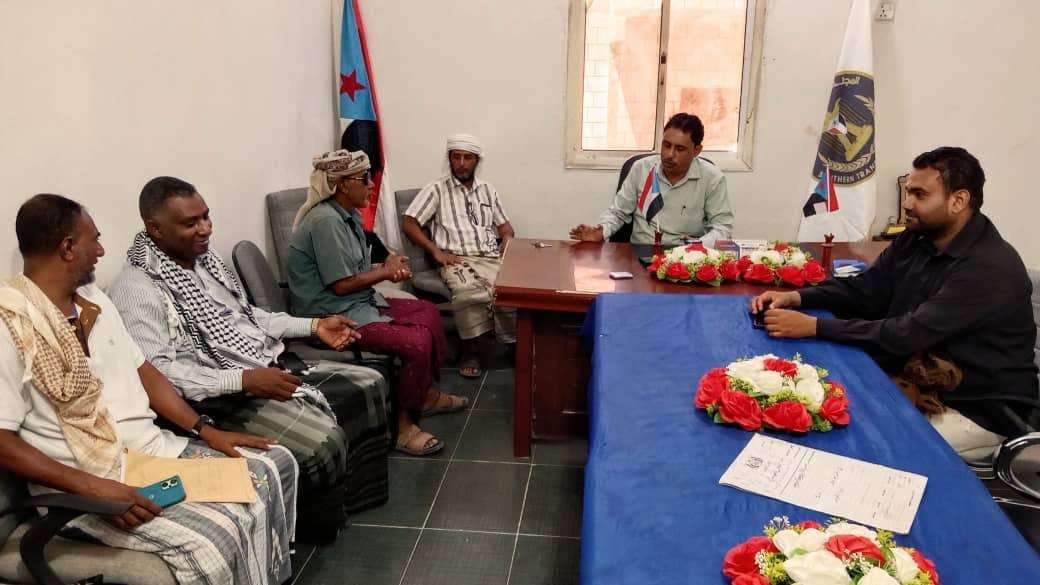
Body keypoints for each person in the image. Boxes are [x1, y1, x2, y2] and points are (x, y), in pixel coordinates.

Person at [0, 194, 298, 585]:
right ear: (68, 248)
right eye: (95, 240)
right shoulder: (10, 324)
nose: (101, 251)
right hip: (87, 484)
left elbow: (145, 371)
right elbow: (2, 440)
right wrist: (95, 488)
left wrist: (205, 430)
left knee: (272, 466)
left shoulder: (93, 300)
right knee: (212, 541)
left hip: (151, 454)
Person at [108, 176, 391, 542]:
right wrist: (243, 380)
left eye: (206, 217)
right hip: (211, 401)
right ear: (155, 228)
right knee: (322, 441)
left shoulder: (205, 261)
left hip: (256, 366)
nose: (206, 228)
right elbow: (159, 374)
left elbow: (248, 317)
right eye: (191, 223)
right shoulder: (137, 289)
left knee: (370, 383)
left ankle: (352, 498)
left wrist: (314, 325)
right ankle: (315, 527)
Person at [750, 147, 1039, 460]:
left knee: (856, 447)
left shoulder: (988, 267)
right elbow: (866, 289)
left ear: (958, 201)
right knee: (811, 403)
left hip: (973, 408)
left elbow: (907, 333)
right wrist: (798, 297)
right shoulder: (916, 238)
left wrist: (814, 326)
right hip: (914, 376)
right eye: (908, 192)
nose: (907, 203)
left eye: (919, 194)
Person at [288, 149, 469, 457]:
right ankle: (403, 428)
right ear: (342, 184)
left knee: (427, 312)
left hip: (357, 301)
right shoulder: (325, 221)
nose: (372, 185)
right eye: (365, 179)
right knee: (415, 343)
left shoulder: (346, 216)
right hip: (331, 315)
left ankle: (424, 396)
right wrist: (385, 272)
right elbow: (341, 285)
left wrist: (387, 264)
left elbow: (355, 266)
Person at [402, 133, 517, 378]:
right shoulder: (436, 189)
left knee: (513, 289)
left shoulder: (487, 190)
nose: (462, 164)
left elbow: (506, 228)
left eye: (468, 158)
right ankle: (470, 351)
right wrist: (435, 250)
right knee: (467, 292)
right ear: (450, 159)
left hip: (490, 256)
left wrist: (507, 242)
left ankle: (512, 343)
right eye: (456, 157)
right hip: (456, 259)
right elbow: (409, 223)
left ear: (477, 161)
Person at [569, 112, 734, 248]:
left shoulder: (712, 178)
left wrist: (696, 246)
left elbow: (722, 228)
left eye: (680, 149)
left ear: (696, 150)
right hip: (640, 253)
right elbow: (618, 212)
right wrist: (601, 231)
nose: (669, 154)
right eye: (666, 145)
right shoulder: (642, 169)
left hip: (684, 258)